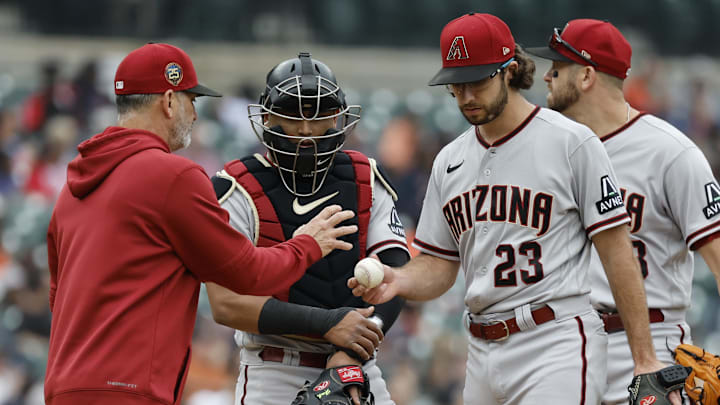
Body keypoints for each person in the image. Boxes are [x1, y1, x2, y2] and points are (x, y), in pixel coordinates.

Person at [349, 13, 678, 405]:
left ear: (511, 69)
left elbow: (616, 249)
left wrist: (645, 359)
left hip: (554, 340)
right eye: (457, 84)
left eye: (478, 80)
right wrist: (399, 280)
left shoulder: (571, 143)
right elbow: (439, 265)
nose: (467, 96)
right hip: (481, 350)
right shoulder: (449, 161)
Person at [44, 43, 358, 405]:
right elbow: (246, 273)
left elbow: (59, 298)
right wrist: (307, 244)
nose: (194, 114)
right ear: (169, 101)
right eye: (191, 100)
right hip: (127, 390)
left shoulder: (72, 187)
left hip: (63, 386)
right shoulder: (173, 175)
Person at [527, 19, 720, 404]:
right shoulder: (553, 152)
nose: (546, 76)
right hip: (569, 344)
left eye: (557, 68)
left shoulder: (670, 153)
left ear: (585, 76)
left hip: (655, 339)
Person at [206, 51, 409, 405]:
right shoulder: (235, 188)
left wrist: (356, 349)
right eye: (292, 113)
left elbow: (398, 274)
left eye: (317, 114)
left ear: (336, 117)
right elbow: (226, 305)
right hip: (275, 370)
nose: (305, 128)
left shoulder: (365, 178)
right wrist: (328, 323)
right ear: (267, 116)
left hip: (357, 365)